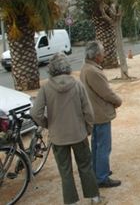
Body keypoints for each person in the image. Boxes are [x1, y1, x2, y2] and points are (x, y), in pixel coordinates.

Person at [30, 53, 106, 205]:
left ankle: (72, 202)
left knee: (65, 172)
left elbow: (35, 113)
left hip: (58, 137)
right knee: (85, 166)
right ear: (67, 67)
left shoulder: (46, 88)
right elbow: (88, 112)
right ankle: (95, 199)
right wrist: (88, 128)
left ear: (51, 69)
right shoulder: (77, 85)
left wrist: (47, 124)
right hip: (79, 134)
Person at [80, 42, 123, 188]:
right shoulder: (94, 71)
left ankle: (98, 171)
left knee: (97, 145)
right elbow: (106, 93)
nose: (104, 55)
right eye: (102, 52)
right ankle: (102, 177)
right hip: (100, 113)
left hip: (93, 113)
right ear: (97, 56)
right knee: (104, 146)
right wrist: (118, 101)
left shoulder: (86, 68)